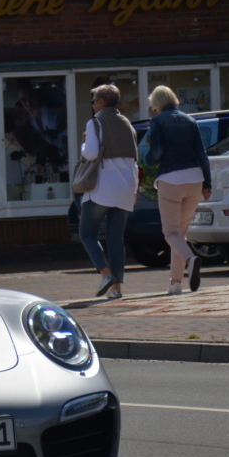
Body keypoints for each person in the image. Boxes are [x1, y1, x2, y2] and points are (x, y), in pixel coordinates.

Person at [145, 85, 212, 294]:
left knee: (171, 233)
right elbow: (202, 154)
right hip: (195, 179)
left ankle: (191, 259)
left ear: (156, 104)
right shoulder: (190, 120)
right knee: (179, 234)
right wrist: (207, 183)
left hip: (170, 179)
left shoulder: (157, 121)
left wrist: (147, 159)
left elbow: (157, 151)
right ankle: (175, 284)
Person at [77, 84, 138, 300]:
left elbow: (91, 154)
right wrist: (134, 190)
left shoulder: (95, 123)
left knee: (87, 233)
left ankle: (105, 273)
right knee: (115, 238)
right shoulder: (127, 124)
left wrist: (84, 143)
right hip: (126, 187)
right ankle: (117, 290)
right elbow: (134, 161)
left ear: (102, 102)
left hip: (102, 187)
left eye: (93, 100)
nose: (92, 104)